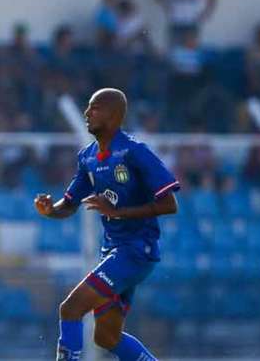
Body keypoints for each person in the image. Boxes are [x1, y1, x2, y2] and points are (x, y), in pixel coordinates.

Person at [33, 88, 180, 361]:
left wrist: (119, 211)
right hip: (113, 252)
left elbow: (169, 204)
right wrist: (49, 210)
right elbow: (68, 204)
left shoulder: (135, 152)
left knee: (71, 308)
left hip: (136, 251)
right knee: (106, 337)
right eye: (88, 107)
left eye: (95, 108)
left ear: (114, 116)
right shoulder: (88, 157)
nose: (87, 113)